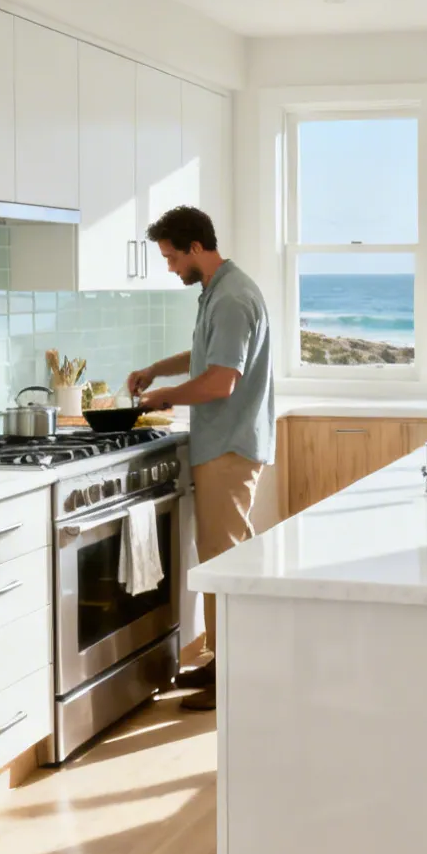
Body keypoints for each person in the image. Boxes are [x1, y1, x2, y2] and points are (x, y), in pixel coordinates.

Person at [128, 205, 273, 712]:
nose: (169, 267)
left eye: (171, 257)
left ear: (195, 248)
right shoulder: (217, 290)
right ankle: (227, 659)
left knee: (223, 564)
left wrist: (163, 397)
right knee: (231, 559)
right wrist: (155, 370)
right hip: (224, 443)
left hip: (228, 446)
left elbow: (221, 381)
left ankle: (231, 670)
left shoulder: (232, 298)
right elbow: (204, 360)